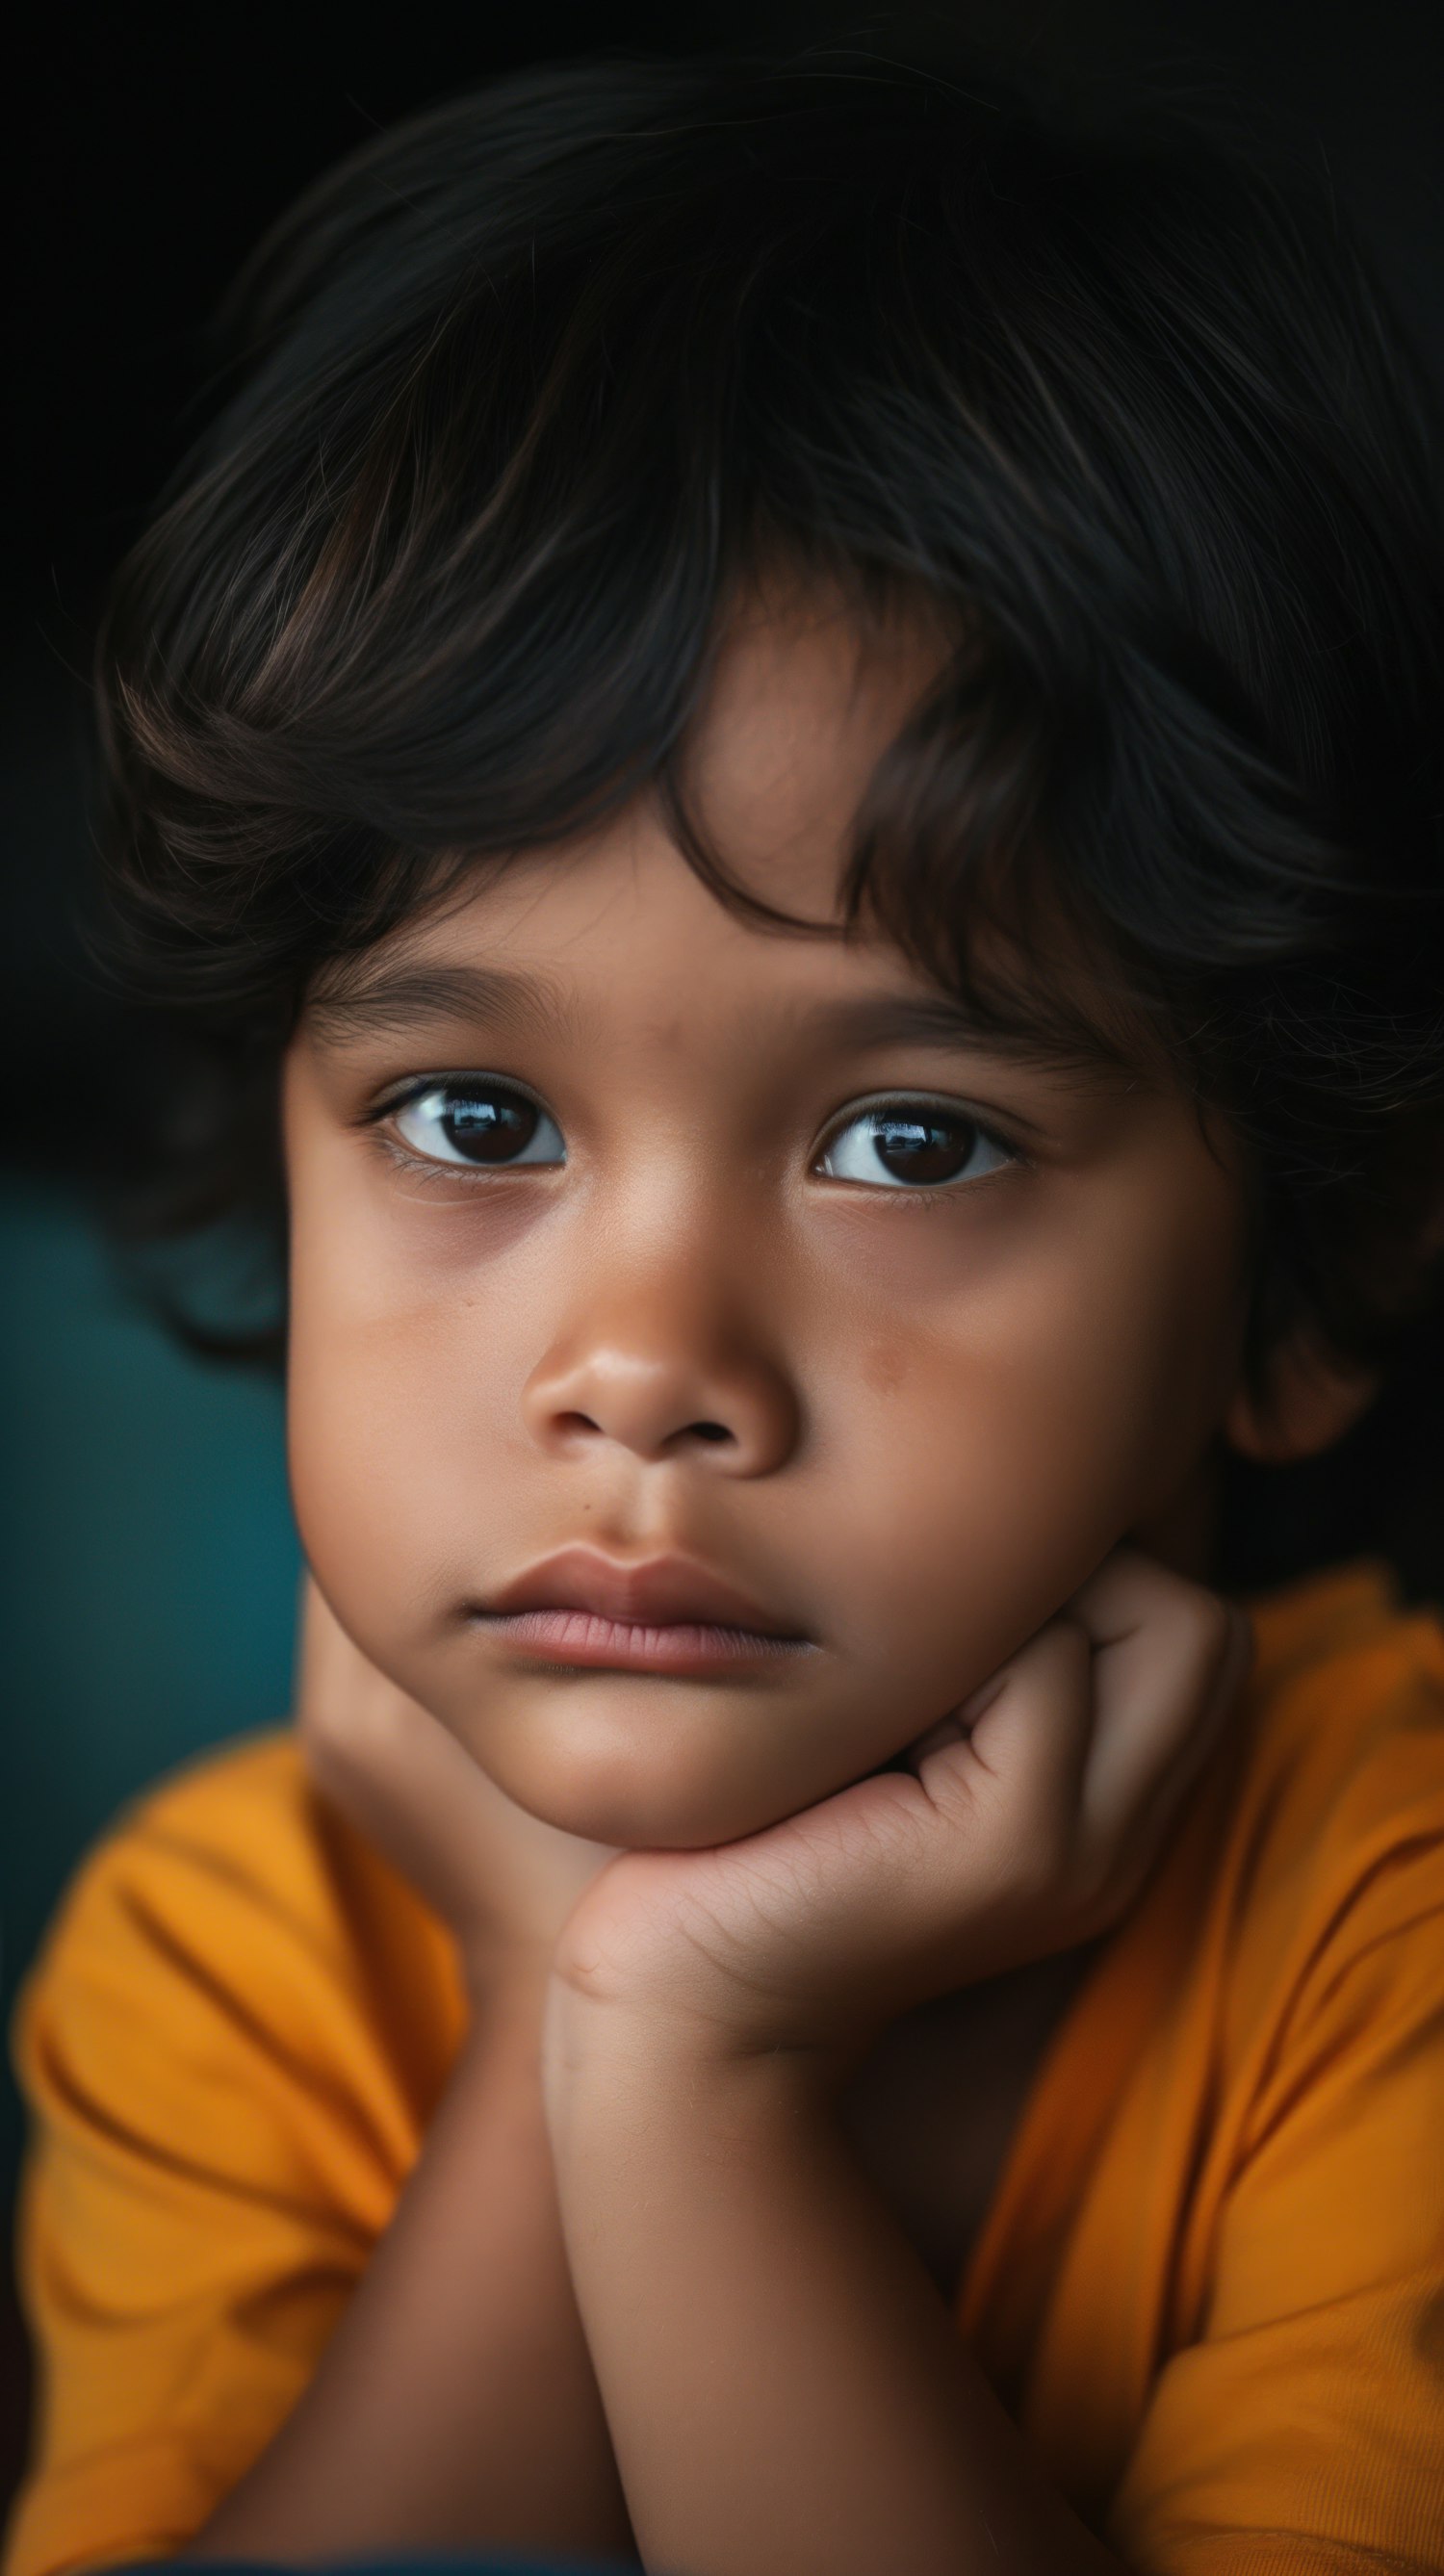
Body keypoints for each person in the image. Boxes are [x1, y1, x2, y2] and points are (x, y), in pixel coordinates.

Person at [6, 46, 1444, 2576]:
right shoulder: (237, 1953)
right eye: (473, 1122)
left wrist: (685, 2080)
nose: (643, 1363)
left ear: (1304, 1272)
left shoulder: (1382, 1928)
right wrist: (553, 2008)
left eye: (912, 1140)